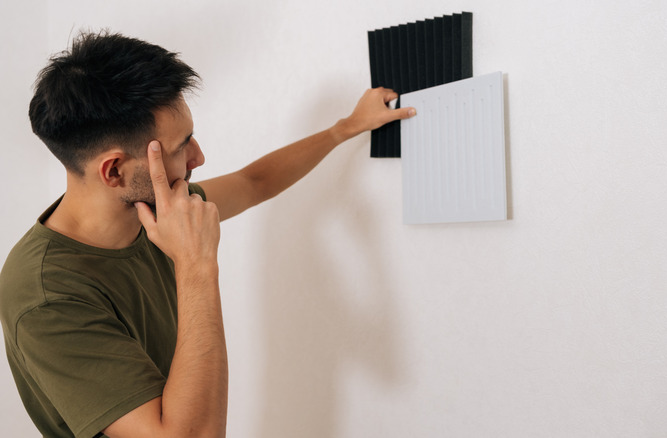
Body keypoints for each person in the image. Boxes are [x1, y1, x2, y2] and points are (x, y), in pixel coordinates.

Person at [0, 31, 415, 438]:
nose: (199, 156)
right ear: (114, 170)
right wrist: (196, 265)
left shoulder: (157, 209)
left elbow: (254, 182)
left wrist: (347, 127)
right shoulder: (46, 295)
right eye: (181, 146)